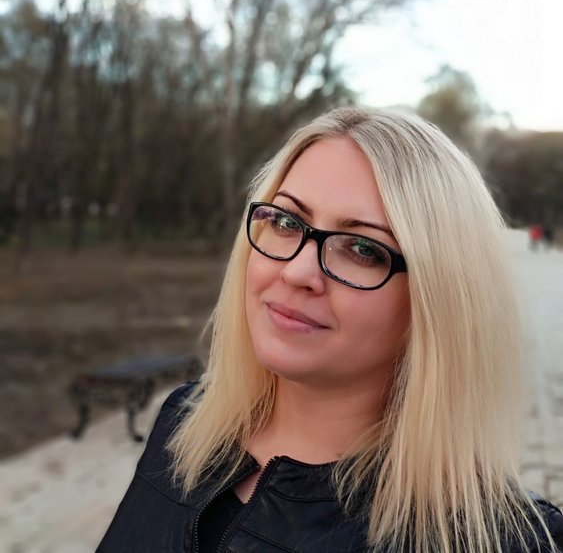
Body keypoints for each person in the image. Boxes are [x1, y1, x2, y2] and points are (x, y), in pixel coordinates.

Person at [97, 107, 563, 553]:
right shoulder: (183, 424)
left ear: (438, 300)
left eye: (362, 249)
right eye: (286, 221)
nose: (298, 271)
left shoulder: (498, 540)